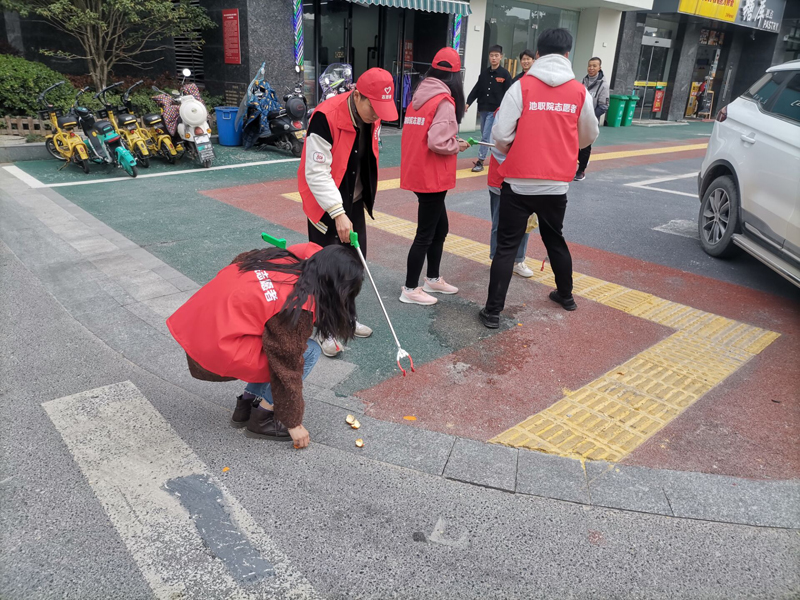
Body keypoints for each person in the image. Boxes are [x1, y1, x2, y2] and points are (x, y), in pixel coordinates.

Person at [166, 243, 364, 449]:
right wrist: (292, 421)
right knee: (308, 351)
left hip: (199, 327)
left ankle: (247, 403)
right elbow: (287, 364)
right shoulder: (297, 303)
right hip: (218, 347)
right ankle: (263, 416)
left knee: (270, 339)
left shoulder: (278, 260)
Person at [479, 28, 599, 329]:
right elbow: (589, 135)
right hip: (556, 183)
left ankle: (493, 312)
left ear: (539, 53)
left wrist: (513, 150)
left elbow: (501, 134)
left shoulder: (522, 87)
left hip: (518, 182)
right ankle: (566, 295)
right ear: (568, 54)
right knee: (555, 239)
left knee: (507, 247)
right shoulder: (578, 91)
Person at [298, 67, 397, 357]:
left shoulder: (371, 117)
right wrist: (337, 213)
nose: (377, 116)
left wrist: (352, 208)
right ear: (357, 96)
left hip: (351, 202)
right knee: (326, 271)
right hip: (324, 204)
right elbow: (316, 173)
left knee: (355, 265)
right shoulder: (325, 117)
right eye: (374, 108)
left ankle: (348, 320)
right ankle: (325, 329)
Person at [399, 47, 470, 305]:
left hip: (419, 171)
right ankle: (410, 287)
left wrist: (450, 140)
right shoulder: (444, 101)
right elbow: (438, 142)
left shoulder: (420, 94)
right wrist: (457, 146)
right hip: (432, 177)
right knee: (425, 234)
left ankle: (432, 278)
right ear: (455, 76)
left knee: (441, 228)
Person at [487, 129, 534, 278]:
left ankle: (518, 260)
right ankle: (497, 259)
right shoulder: (502, 113)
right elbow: (495, 146)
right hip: (501, 179)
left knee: (525, 223)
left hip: (526, 179)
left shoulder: (534, 110)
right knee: (499, 222)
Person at [466, 45, 512, 172]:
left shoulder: (505, 74)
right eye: (492, 55)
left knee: (486, 136)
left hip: (495, 111)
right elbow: (476, 89)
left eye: (496, 56)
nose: (494, 58)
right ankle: (497, 156)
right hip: (483, 109)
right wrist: (468, 103)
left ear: (501, 57)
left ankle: (480, 161)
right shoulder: (484, 74)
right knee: (486, 135)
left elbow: (510, 93)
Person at [575, 57, 609, 181]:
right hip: (578, 120)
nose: (591, 68)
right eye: (590, 66)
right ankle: (583, 160)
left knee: (585, 145)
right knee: (573, 144)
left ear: (599, 67)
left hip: (590, 120)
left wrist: (590, 117)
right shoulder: (582, 82)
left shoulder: (603, 86)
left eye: (594, 66)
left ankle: (581, 170)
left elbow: (604, 106)